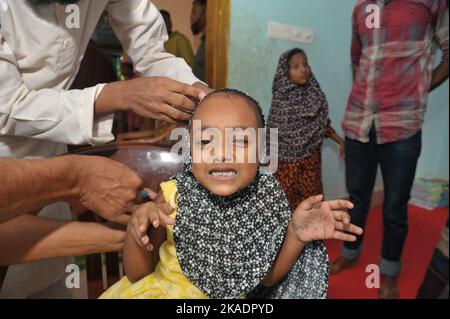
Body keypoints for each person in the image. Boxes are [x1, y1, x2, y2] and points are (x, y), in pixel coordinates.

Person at [0, 0, 210, 298]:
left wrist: (200, 93)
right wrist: (115, 96)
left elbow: (152, 52)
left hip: (54, 163)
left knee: (47, 281)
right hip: (11, 162)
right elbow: (6, 107)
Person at [99, 89, 363, 299]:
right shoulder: (172, 196)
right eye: (205, 141)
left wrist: (296, 234)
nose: (222, 152)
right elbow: (137, 273)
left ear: (261, 150)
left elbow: (265, 279)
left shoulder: (266, 202)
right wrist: (137, 230)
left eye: (239, 140)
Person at [330, 0, 449, 299]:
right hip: (359, 122)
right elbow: (357, 61)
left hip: (403, 126)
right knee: (356, 197)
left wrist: (419, 89)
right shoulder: (360, 9)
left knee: (395, 206)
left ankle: (388, 271)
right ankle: (350, 251)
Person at [267, 48, 345, 211]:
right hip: (285, 165)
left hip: (311, 161)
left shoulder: (314, 95)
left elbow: (322, 125)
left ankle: (311, 236)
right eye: (295, 66)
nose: (303, 69)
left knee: (312, 202)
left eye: (305, 64)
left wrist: (340, 141)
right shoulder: (281, 100)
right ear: (285, 72)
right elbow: (271, 135)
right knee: (284, 205)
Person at [191, 0, 207, 82]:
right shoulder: (204, 41)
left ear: (205, 12)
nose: (190, 16)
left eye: (193, 12)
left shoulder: (212, 45)